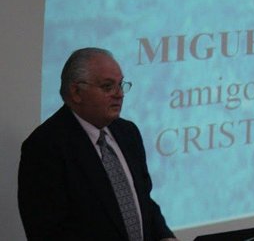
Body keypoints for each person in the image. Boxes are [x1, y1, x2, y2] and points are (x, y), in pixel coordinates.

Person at [18, 48, 179, 241]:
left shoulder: (128, 133)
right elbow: (48, 232)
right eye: (107, 87)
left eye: (120, 85)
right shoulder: (45, 148)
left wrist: (165, 237)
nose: (119, 94)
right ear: (76, 92)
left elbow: (143, 201)